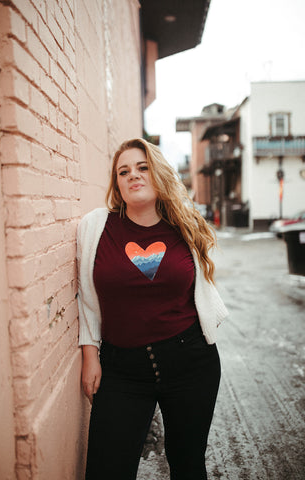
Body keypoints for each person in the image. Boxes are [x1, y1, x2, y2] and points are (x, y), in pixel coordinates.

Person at [77, 138, 228, 480]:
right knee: (107, 469)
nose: (134, 175)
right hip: (121, 370)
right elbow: (86, 296)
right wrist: (90, 354)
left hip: (191, 362)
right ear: (117, 184)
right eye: (124, 171)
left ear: (158, 174)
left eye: (143, 167)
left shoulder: (184, 226)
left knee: (188, 465)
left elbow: (202, 290)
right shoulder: (96, 227)